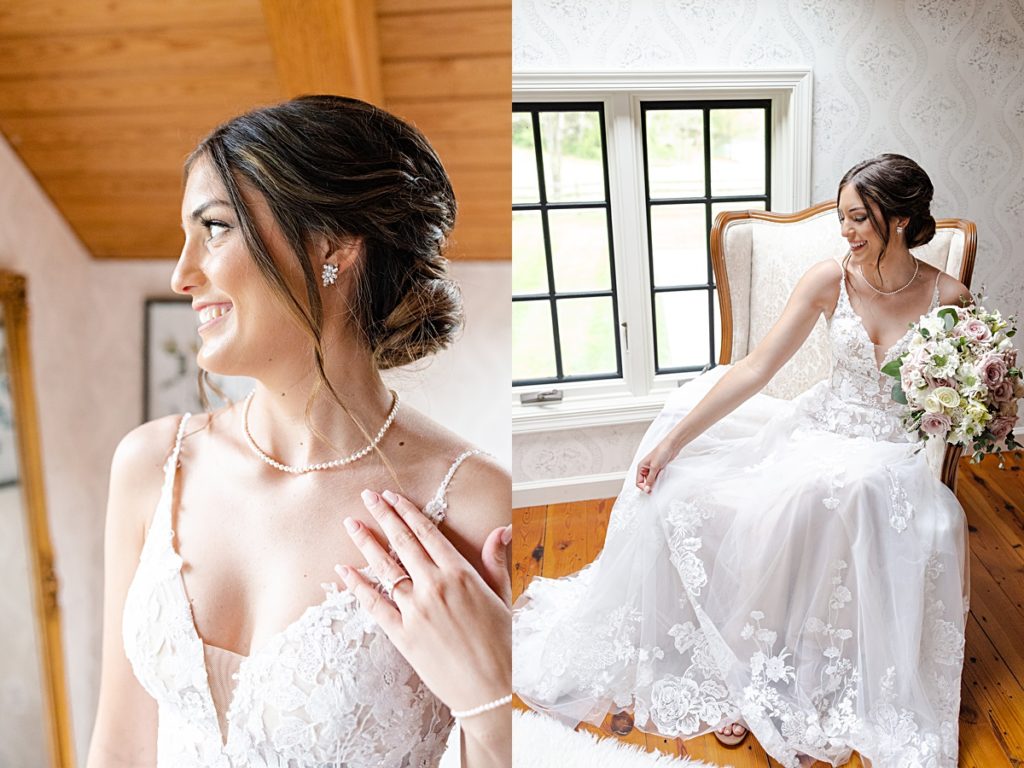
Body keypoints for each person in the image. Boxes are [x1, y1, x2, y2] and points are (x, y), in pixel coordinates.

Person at [86, 96, 511, 768]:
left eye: (216, 228)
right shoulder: (150, 465)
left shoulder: (474, 506)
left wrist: (492, 702)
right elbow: (118, 749)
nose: (181, 274)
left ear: (333, 250)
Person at [512, 153, 972, 768]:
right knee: (687, 495)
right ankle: (740, 675)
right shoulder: (827, 279)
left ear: (903, 216)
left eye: (859, 218)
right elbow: (756, 370)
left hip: (890, 452)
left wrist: (977, 407)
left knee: (846, 492)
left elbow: (964, 405)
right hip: (816, 427)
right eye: (843, 218)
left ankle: (804, 686)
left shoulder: (951, 298)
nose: (847, 232)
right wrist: (672, 443)